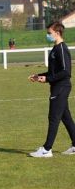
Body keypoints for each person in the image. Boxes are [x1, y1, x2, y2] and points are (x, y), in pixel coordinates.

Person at [29, 21, 75, 157]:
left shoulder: (61, 49)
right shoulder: (55, 48)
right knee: (66, 118)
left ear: (57, 33)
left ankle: (46, 149)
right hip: (57, 87)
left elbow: (66, 72)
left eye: (49, 33)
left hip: (61, 88)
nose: (47, 35)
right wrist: (39, 76)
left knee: (53, 118)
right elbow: (54, 72)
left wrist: (48, 79)